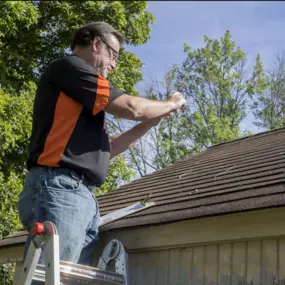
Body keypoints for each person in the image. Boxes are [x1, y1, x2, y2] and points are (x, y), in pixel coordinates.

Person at [17, 21, 185, 267]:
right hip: (60, 187)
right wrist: (171, 103)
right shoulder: (69, 68)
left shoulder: (81, 99)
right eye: (113, 54)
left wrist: (150, 123)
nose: (114, 64)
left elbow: (109, 149)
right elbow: (132, 107)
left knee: (65, 280)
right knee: (51, 279)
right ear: (96, 43)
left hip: (79, 194)